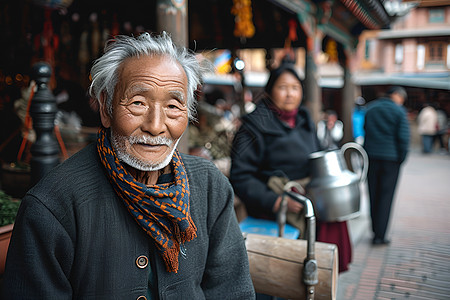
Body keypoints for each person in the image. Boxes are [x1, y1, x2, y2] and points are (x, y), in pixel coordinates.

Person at [2, 32, 255, 299]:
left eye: (172, 106)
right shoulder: (54, 203)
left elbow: (232, 291)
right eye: (137, 103)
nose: (156, 126)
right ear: (105, 109)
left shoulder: (209, 187)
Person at [230, 63, 352, 274]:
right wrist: (277, 201)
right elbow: (240, 176)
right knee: (283, 275)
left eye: (295, 87)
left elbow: (318, 158)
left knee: (314, 273)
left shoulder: (305, 120)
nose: (290, 94)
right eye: (282, 87)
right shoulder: (253, 125)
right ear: (269, 91)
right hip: (275, 214)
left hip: (310, 205)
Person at [364, 86, 410, 245]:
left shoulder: (370, 109)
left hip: (371, 157)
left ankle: (374, 230)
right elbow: (403, 138)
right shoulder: (399, 112)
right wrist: (401, 158)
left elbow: (365, 131)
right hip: (391, 160)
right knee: (386, 197)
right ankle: (380, 235)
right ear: (396, 95)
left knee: (373, 194)